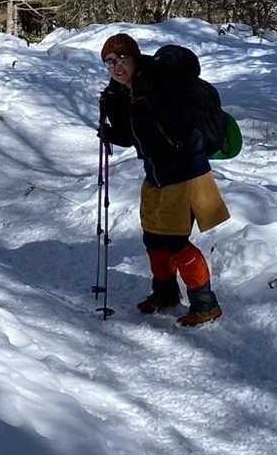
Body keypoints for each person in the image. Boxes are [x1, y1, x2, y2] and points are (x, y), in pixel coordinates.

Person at [98, 33, 229, 327]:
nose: (116, 66)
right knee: (154, 238)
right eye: (109, 62)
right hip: (156, 173)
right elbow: (134, 135)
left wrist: (147, 107)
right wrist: (110, 125)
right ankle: (165, 293)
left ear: (135, 57)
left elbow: (178, 125)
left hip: (183, 172)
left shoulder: (157, 84)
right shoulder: (127, 91)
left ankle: (205, 304)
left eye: (122, 58)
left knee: (175, 242)